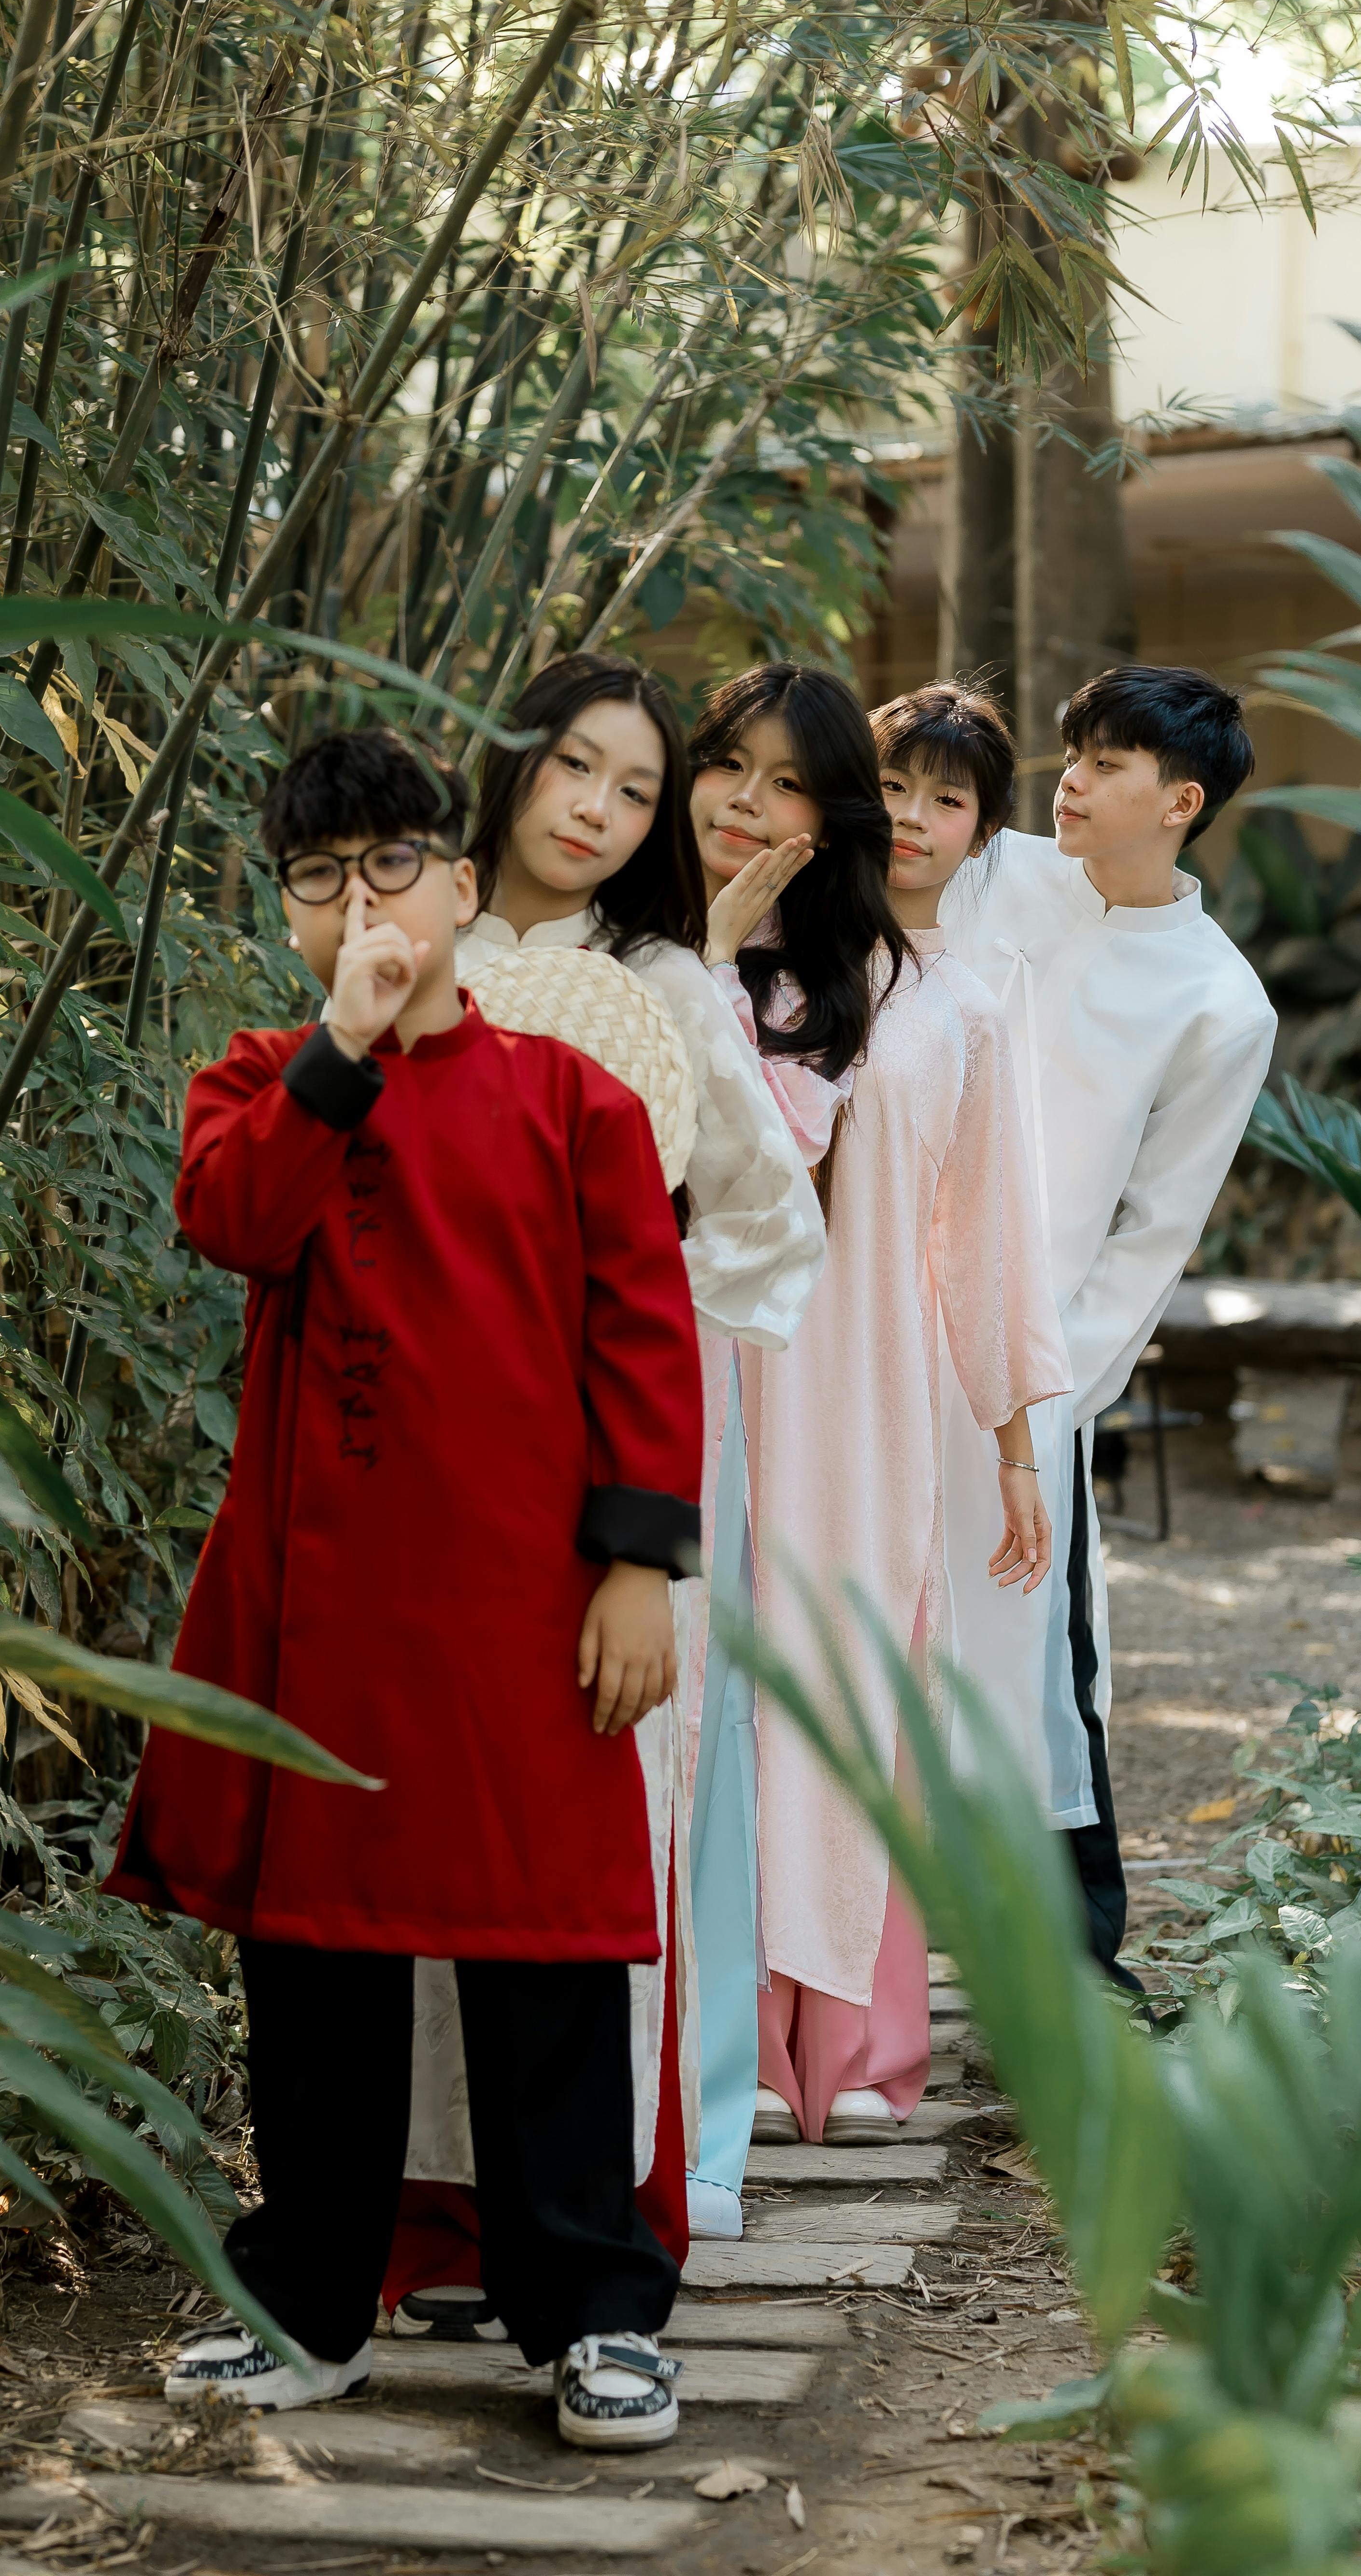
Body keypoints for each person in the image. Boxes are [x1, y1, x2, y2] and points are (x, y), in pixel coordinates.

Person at [103, 728, 703, 2451]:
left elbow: (645, 1344)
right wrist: (344, 1048)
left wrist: (639, 1566)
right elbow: (237, 1224)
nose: (359, 904)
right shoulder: (259, 1081)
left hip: (532, 1596)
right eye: (318, 878)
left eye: (390, 868)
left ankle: (593, 2315)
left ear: (461, 882)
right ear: (288, 912)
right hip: (321, 1609)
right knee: (316, 1967)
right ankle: (310, 2308)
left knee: (550, 1955)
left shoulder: (571, 1102)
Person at [385, 652, 826, 2282]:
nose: (596, 809)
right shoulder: (399, 943)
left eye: (634, 790)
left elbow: (772, 1232)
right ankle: (431, 2217)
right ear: (510, 762)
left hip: (599, 1473)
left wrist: (610, 1305)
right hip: (411, 1467)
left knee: (591, 1815)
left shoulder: (666, 984)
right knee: (419, 1815)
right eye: (575, 766)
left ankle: (590, 2231)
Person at [718, 665, 1069, 2147]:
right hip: (732, 1365)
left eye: (954, 800)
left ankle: (859, 2041)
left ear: (985, 832)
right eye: (898, 790)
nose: (919, 821)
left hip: (872, 1393)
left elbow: (988, 1240)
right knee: (733, 1674)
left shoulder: (971, 1010)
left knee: (862, 1675)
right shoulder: (751, 968)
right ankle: (723, 2043)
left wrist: (1013, 1450)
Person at [935, 665, 1277, 1986]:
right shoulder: (991, 872)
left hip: (1035, 1370)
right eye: (1075, 750)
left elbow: (1155, 1231)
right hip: (868, 1323)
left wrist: (1054, 1393)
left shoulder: (1217, 1001)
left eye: (1112, 760)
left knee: (1041, 1653)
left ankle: (1081, 1970)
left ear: (1181, 801)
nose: (1071, 776)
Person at [678, 663, 904, 2220]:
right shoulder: (602, 923)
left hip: (743, 1364)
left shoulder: (827, 984)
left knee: (750, 1680)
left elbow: (744, 1159)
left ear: (828, 822)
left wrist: (700, 965)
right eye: (722, 765)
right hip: (597, 1347)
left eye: (780, 781)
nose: (739, 803)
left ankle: (759, 2034)